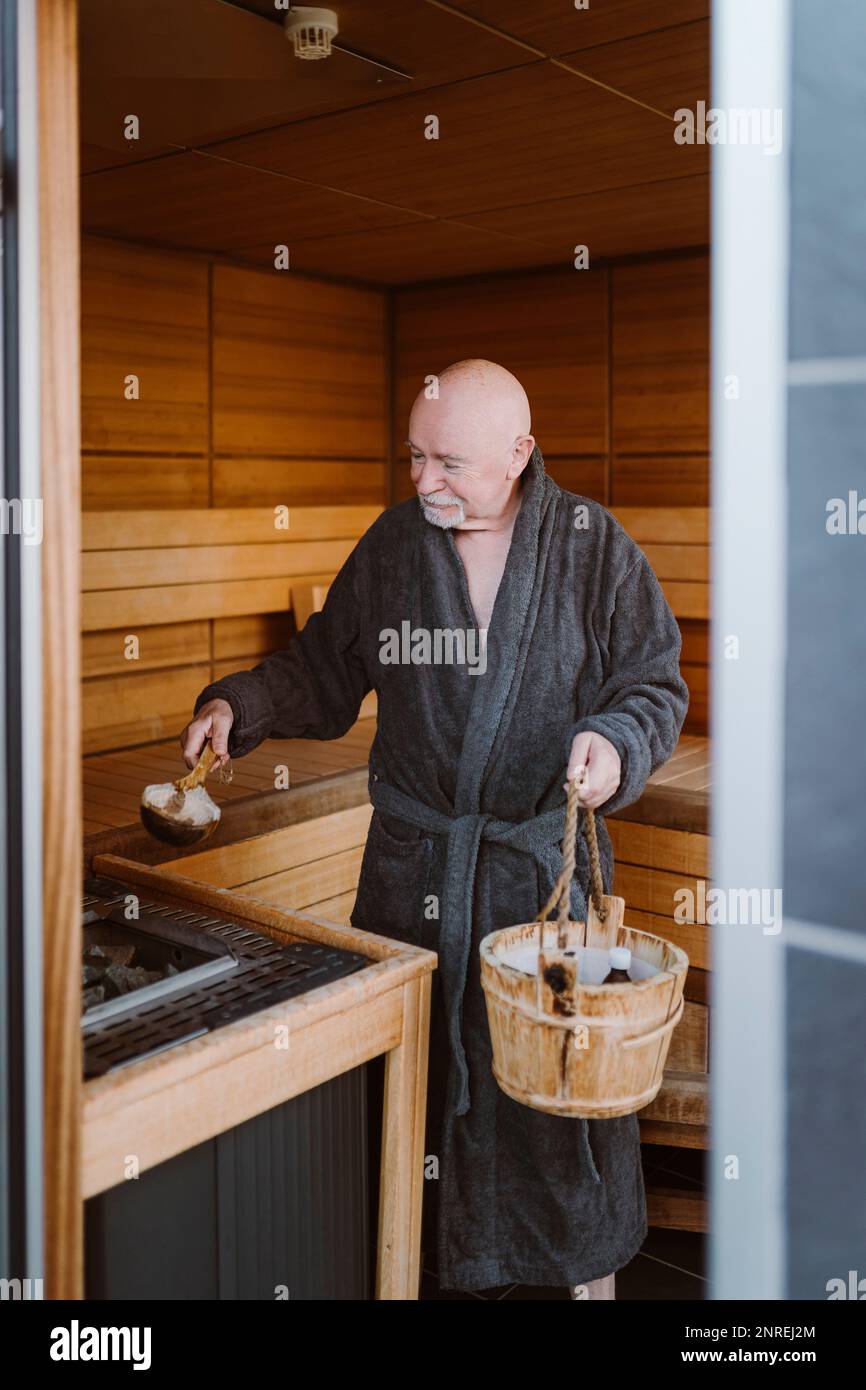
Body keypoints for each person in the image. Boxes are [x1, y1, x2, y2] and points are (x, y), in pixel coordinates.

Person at [180, 359, 689, 1298]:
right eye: (413, 457)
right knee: (411, 1094)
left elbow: (654, 682)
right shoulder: (394, 546)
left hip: (533, 880)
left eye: (448, 462)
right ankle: (417, 1268)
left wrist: (616, 745)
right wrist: (237, 706)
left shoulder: (593, 548)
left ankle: (581, 1274)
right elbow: (325, 669)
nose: (423, 482)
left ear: (519, 453)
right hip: (413, 877)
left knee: (554, 1096)